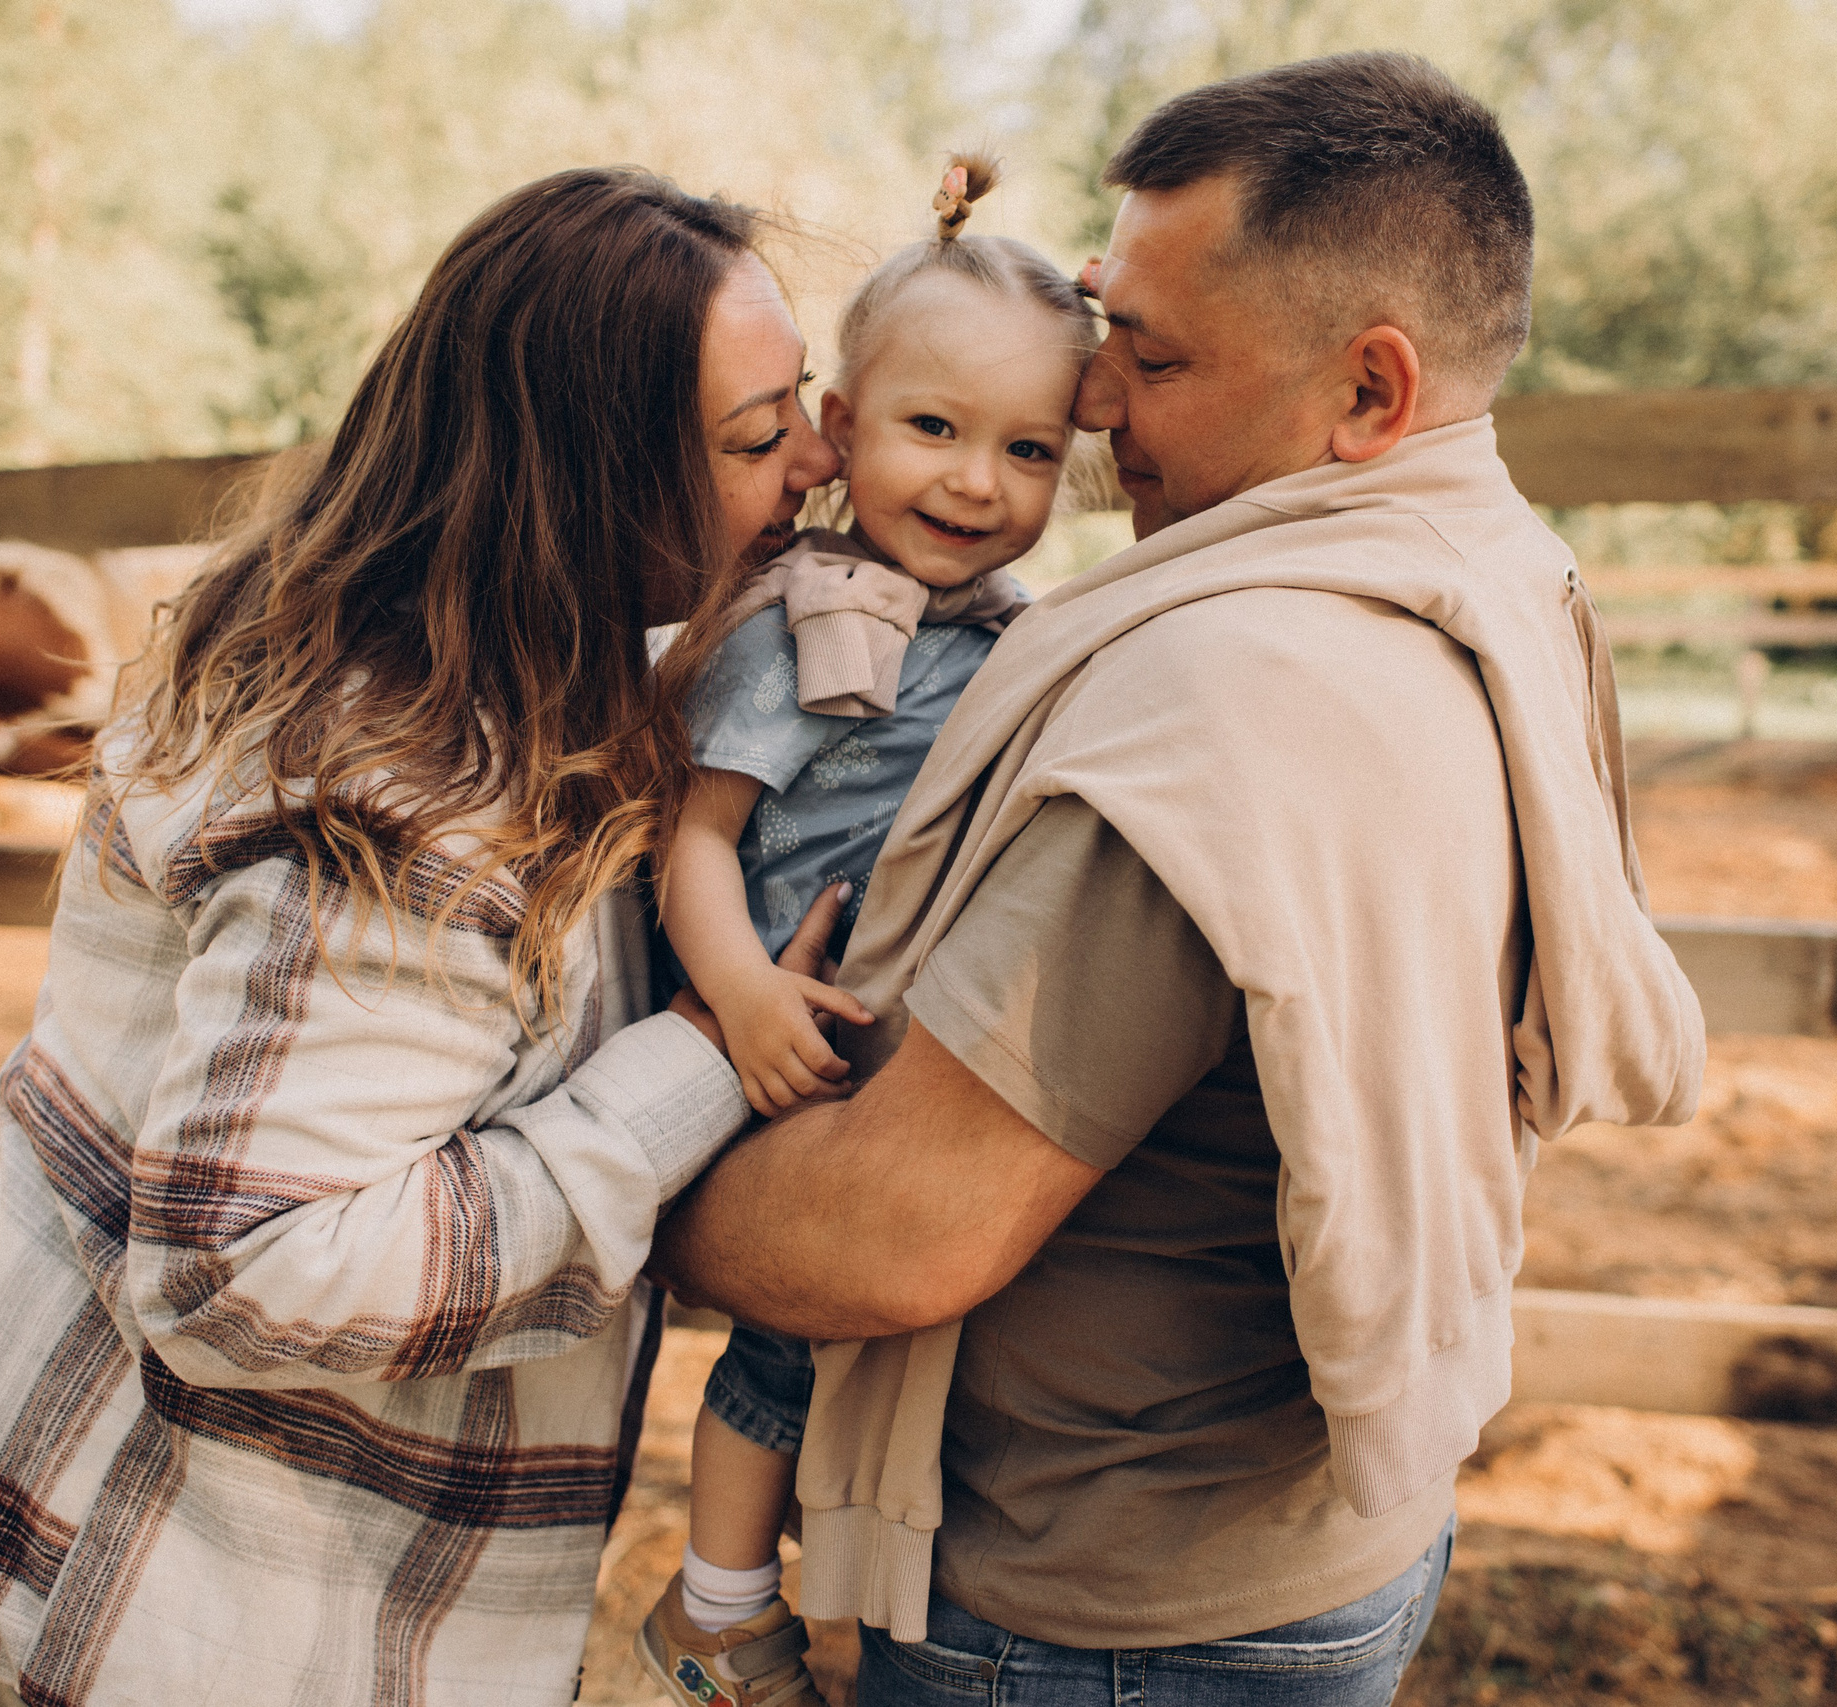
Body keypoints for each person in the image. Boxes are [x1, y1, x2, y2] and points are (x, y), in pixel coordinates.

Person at [654, 52, 1707, 1707]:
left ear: (1368, 391)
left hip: (1098, 1607)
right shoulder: (1493, 575)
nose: (1092, 406)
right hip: (1318, 1540)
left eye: (1144, 354)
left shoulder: (1222, 703)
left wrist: (581, 1190)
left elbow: (888, 1237)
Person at [0, 167, 842, 1706]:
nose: (820, 463)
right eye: (759, 437)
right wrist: (687, 1072)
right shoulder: (419, 790)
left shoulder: (378, 633)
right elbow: (247, 1267)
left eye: (807, 406)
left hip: (181, 1513)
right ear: (590, 481)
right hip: (237, 1599)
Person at [639, 157, 1098, 1707]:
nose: (977, 482)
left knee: (884, 1340)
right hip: (789, 1036)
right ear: (841, 426)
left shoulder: (1017, 634)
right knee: (776, 1346)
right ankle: (715, 1614)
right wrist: (743, 1000)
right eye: (934, 430)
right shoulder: (813, 619)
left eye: (1026, 447)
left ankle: (838, 1605)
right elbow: (693, 841)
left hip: (911, 1044)